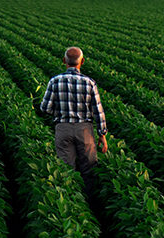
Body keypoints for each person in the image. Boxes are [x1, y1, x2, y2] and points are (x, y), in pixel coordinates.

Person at [39, 46, 108, 208]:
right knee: (88, 170)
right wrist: (102, 134)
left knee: (65, 169)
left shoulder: (55, 81)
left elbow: (45, 108)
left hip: (63, 128)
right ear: (82, 62)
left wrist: (60, 111)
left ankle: (69, 205)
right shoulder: (89, 83)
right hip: (85, 130)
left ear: (64, 61)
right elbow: (98, 112)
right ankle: (88, 206)